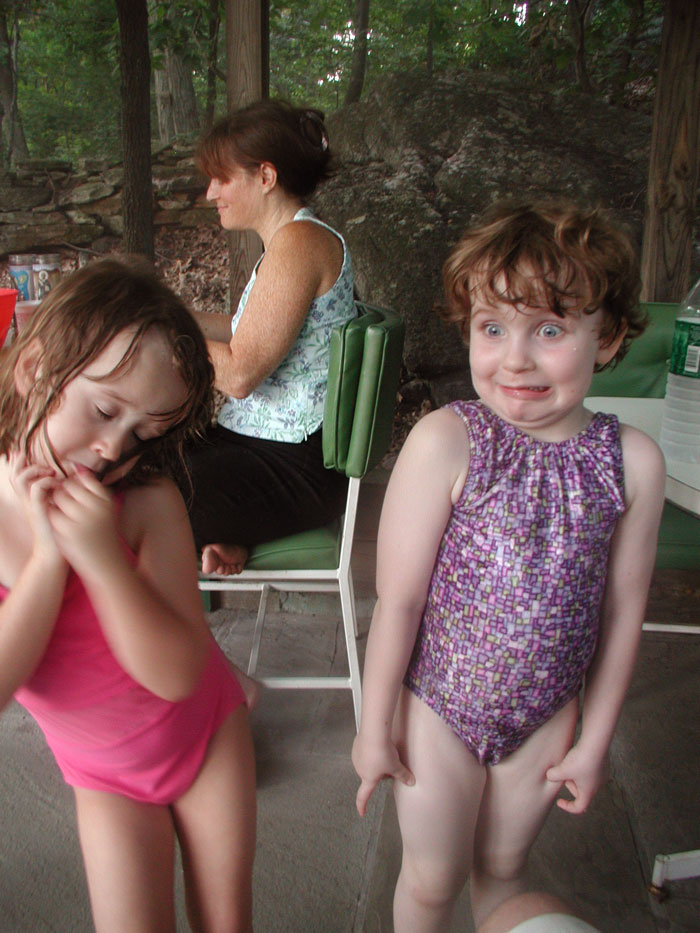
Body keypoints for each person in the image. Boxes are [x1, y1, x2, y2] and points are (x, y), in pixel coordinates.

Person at [351, 200, 666, 932]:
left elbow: (623, 615)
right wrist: (375, 725)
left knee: (502, 872)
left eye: (549, 330)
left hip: (546, 716)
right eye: (492, 328)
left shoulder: (633, 463)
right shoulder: (447, 441)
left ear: (609, 337)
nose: (515, 357)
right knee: (432, 878)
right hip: (438, 704)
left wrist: (593, 740)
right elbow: (398, 601)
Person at [0, 258, 256, 932]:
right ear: (35, 370)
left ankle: (246, 686)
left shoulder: (145, 501)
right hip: (104, 776)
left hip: (205, 737)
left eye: (143, 433)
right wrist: (52, 558)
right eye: (105, 410)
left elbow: (178, 672)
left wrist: (103, 560)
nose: (113, 448)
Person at [184, 98, 356, 576]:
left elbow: (238, 373)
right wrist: (171, 315)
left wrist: (171, 338)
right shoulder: (289, 243)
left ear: (265, 177)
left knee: (149, 489)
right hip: (265, 450)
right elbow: (247, 332)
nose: (210, 192)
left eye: (222, 177)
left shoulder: (301, 244)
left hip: (295, 469)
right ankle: (232, 539)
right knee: (146, 452)